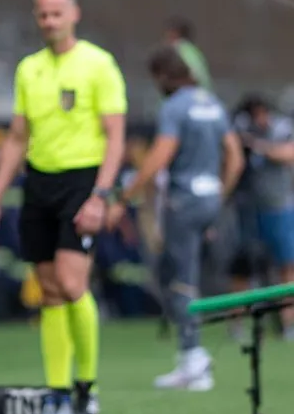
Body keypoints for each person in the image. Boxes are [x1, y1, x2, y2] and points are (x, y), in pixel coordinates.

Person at [0, 0, 127, 414]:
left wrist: (101, 195)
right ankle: (58, 392)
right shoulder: (29, 69)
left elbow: (116, 137)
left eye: (57, 12)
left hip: (83, 181)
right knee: (49, 291)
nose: (49, 20)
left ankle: (88, 387)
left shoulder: (99, 64)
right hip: (39, 183)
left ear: (74, 14)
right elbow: (17, 137)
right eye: (43, 14)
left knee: (71, 281)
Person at [107, 47, 243, 390]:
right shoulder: (213, 104)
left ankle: (193, 357)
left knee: (178, 280)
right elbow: (235, 157)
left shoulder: (174, 107)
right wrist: (219, 193)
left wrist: (124, 198)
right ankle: (192, 356)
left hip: (183, 201)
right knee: (190, 274)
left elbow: (159, 157)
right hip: (210, 197)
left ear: (163, 77)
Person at [232, 94, 294, 340]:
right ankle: (237, 324)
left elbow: (288, 153)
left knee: (286, 266)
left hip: (278, 208)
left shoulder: (281, 129)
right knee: (243, 267)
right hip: (248, 210)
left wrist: (258, 145)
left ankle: (288, 324)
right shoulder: (240, 130)